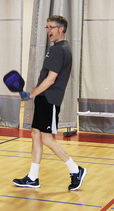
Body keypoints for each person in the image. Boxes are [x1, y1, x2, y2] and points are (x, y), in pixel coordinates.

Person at [13, 15, 87, 191]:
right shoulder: (58, 48)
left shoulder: (59, 50)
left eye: (51, 27)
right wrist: (35, 93)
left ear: (61, 29)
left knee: (47, 138)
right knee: (35, 134)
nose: (48, 31)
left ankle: (76, 170)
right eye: (46, 27)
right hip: (43, 98)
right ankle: (33, 177)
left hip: (49, 100)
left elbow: (51, 79)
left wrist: (31, 94)